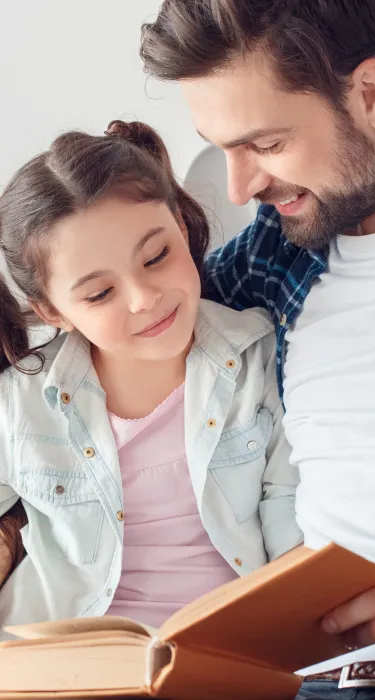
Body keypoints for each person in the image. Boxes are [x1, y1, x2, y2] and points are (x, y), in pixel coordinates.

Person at [140, 0, 375, 694]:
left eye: (263, 145)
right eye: (220, 146)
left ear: (372, 94)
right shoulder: (267, 259)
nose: (241, 187)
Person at [0, 119, 302, 635]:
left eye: (156, 256)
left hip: (224, 660)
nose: (144, 299)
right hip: (67, 668)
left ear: (182, 229)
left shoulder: (259, 359)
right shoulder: (21, 402)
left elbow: (292, 548)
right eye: (99, 294)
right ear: (53, 311)